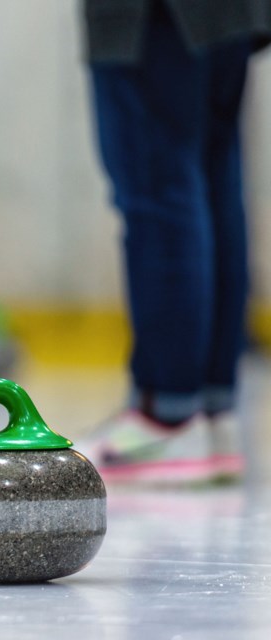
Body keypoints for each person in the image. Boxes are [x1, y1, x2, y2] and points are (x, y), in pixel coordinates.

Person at [79, 0, 271, 483]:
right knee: (211, 177)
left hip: (153, 13)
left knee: (157, 185)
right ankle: (211, 413)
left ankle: (166, 416)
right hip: (228, 14)